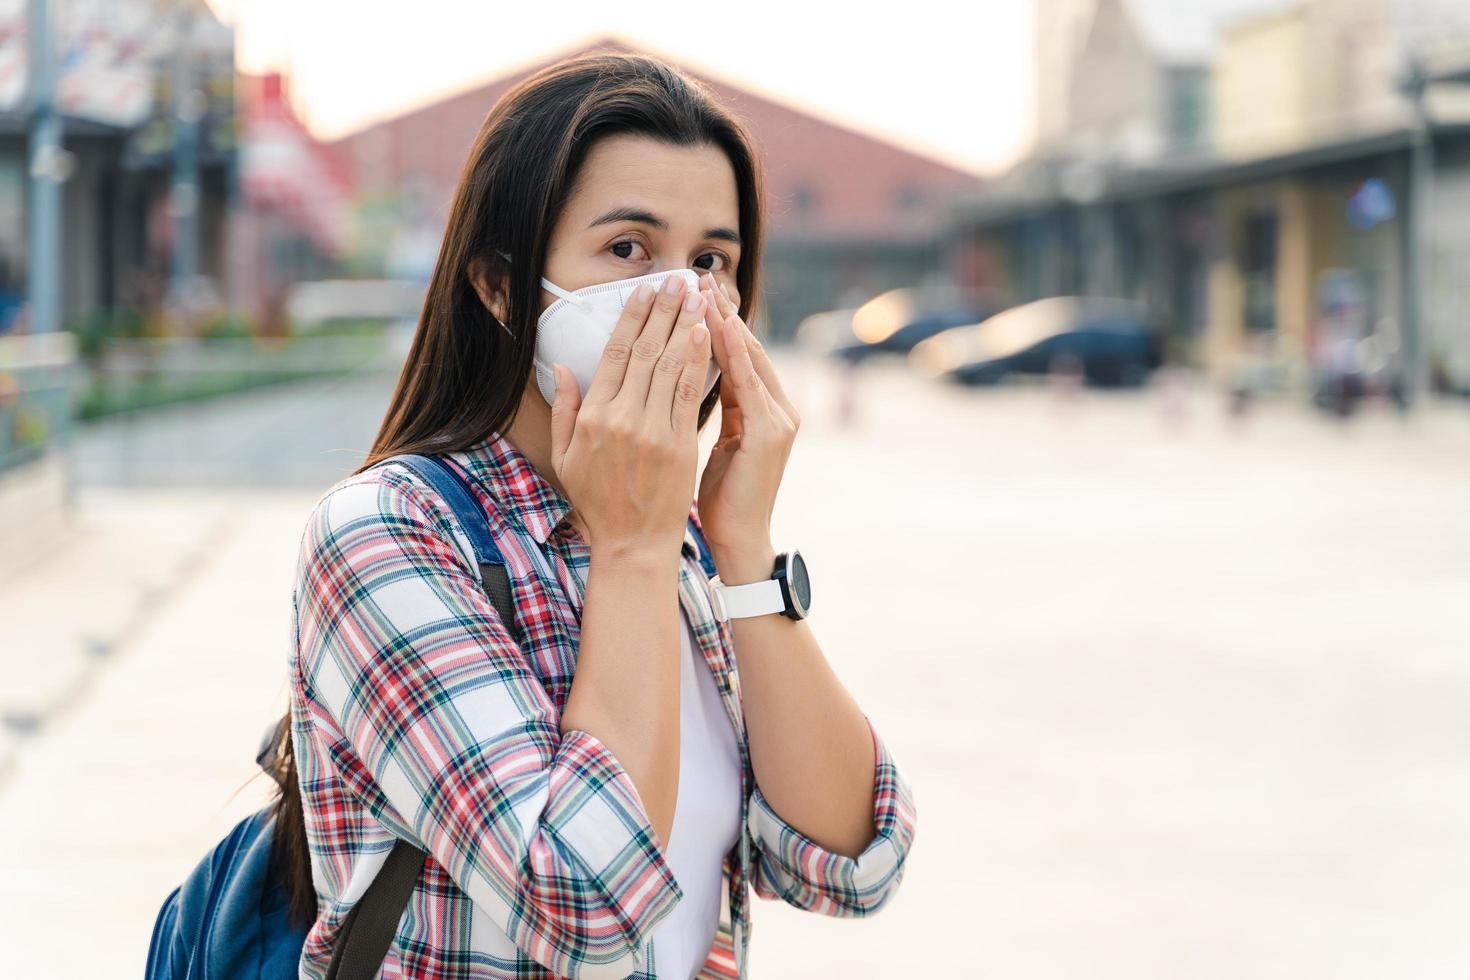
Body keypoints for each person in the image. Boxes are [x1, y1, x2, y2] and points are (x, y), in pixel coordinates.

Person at [277, 52, 915, 979]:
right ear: (499, 286)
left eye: (711, 261)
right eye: (627, 249)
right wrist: (632, 550)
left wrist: (740, 547)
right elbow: (587, 910)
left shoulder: (688, 549)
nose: (678, 295)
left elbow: (856, 861)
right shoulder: (388, 535)